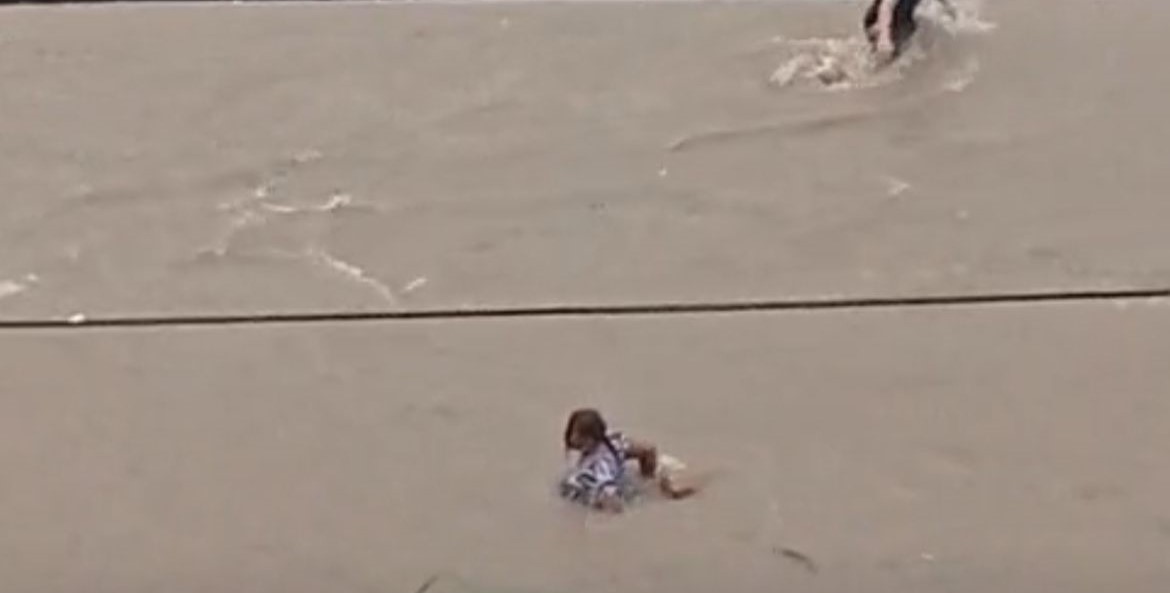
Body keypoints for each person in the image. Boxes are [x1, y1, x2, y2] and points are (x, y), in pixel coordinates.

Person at [558, 408, 697, 512]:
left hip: (602, 491)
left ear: (589, 439)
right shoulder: (613, 441)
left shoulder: (599, 465)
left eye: (577, 436)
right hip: (623, 482)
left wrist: (613, 517)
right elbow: (648, 450)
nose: (572, 439)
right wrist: (647, 478)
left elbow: (610, 496)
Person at [863, 0, 958, 64]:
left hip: (904, 18)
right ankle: (872, 68)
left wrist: (949, 7)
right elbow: (886, 7)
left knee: (911, 31)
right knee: (886, 52)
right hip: (879, 19)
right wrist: (884, 37)